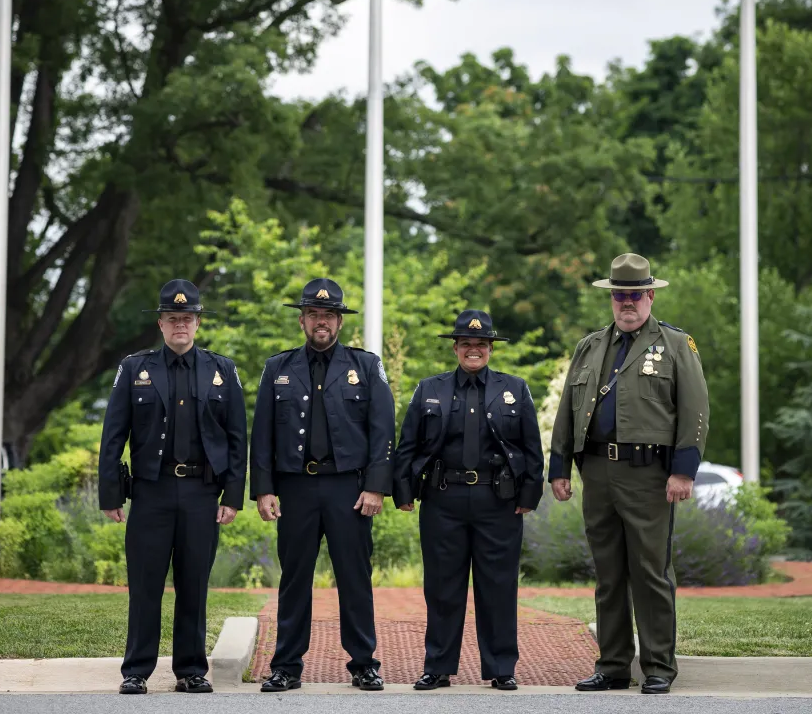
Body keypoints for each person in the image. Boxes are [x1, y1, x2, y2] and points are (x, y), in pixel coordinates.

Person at [549, 253, 710, 696]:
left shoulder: (677, 345)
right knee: (608, 573)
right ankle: (613, 665)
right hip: (597, 472)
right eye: (619, 295)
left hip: (648, 476)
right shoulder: (590, 346)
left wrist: (683, 471)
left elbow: (695, 412)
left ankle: (658, 665)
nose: (627, 303)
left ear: (650, 296)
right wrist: (559, 466)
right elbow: (568, 409)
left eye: (635, 295)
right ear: (611, 297)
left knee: (651, 572)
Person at [99, 279, 247, 696]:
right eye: (172, 318)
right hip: (151, 492)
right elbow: (113, 435)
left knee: (194, 583)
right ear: (161, 324)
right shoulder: (135, 369)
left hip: (202, 492)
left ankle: (190, 670)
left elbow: (238, 438)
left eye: (187, 318)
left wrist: (233, 495)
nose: (179, 325)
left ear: (197, 322)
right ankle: (137, 670)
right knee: (145, 584)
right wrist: (111, 493)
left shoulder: (223, 370)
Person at [250, 278, 396, 693]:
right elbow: (261, 435)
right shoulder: (277, 368)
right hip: (295, 488)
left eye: (328, 316)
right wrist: (264, 489)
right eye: (314, 314)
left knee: (354, 577)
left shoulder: (365, 366)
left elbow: (383, 429)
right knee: (294, 578)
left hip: (347, 489)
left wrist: (376, 487)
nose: (321, 322)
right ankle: (287, 666)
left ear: (339, 322)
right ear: (302, 320)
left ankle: (364, 663)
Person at [394, 309, 544, 692]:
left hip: (499, 500)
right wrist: (405, 492)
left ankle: (501, 667)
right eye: (466, 344)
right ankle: (438, 666)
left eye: (480, 344)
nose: (473, 350)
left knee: (498, 586)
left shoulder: (516, 388)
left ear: (491, 348)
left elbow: (531, 447)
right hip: (444, 498)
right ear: (456, 349)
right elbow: (408, 445)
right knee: (443, 588)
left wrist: (529, 494)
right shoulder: (430, 389)